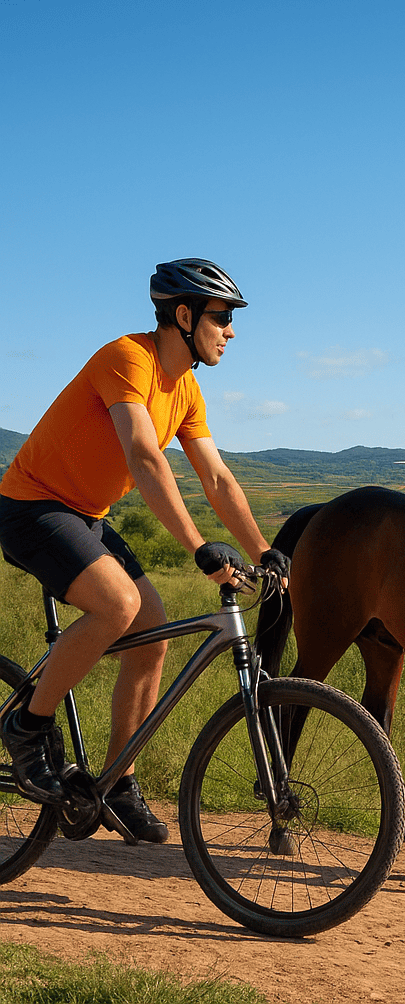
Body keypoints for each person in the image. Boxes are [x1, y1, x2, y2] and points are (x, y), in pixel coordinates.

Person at [0, 258, 289, 844]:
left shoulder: (185, 389)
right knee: (117, 604)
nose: (230, 331)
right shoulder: (128, 359)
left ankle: (118, 785)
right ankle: (27, 726)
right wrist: (199, 548)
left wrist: (264, 549)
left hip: (88, 515)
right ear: (183, 316)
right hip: (31, 506)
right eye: (222, 317)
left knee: (152, 631)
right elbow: (144, 456)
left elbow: (218, 479)